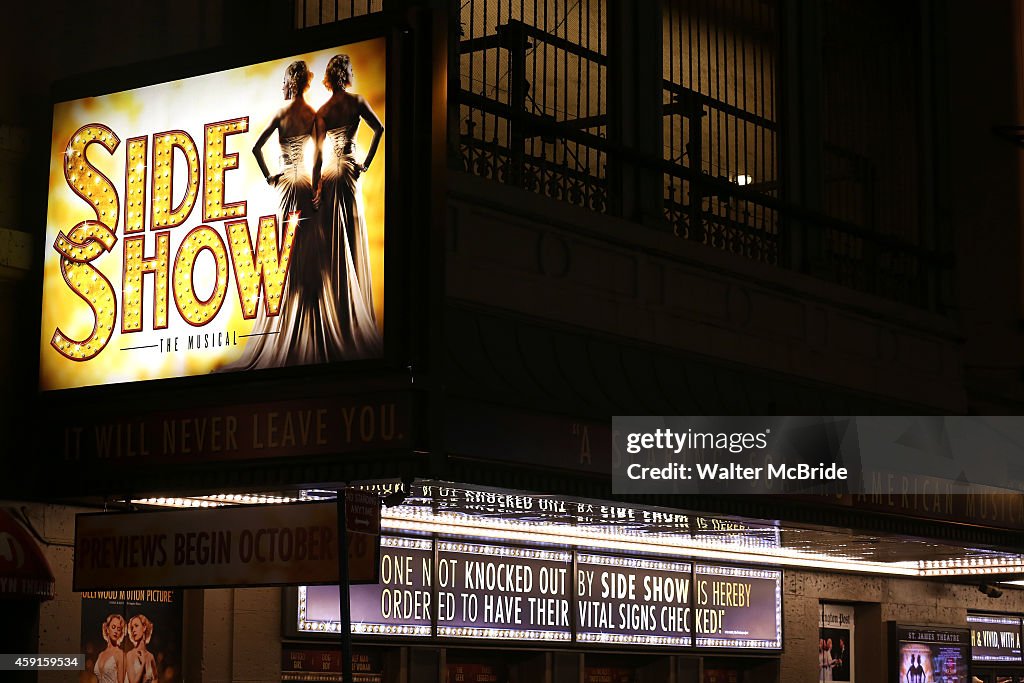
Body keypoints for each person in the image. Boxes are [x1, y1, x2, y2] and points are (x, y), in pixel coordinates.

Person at [223, 60, 348, 370]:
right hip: (305, 184)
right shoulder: (314, 117)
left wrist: (272, 176)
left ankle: (288, 320)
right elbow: (318, 159)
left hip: (286, 186)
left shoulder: (281, 115)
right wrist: (318, 186)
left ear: (290, 83)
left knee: (286, 251)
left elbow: (256, 148)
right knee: (306, 250)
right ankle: (307, 323)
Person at [312, 53, 384, 358]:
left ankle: (338, 312)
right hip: (349, 170)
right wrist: (365, 163)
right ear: (347, 74)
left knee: (332, 242)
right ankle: (351, 312)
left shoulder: (323, 110)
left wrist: (316, 187)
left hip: (330, 174)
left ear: (329, 77)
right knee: (350, 237)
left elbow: (316, 156)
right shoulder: (357, 102)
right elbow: (379, 129)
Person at [125, 614, 157, 683]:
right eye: (132, 628)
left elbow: (156, 679)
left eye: (136, 626)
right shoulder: (130, 655)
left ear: (144, 627)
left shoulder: (150, 656)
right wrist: (143, 664)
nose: (133, 630)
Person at [93, 614, 125, 683]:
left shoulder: (120, 654)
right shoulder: (101, 655)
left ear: (120, 633)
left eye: (118, 629)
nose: (116, 631)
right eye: (113, 627)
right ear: (107, 629)